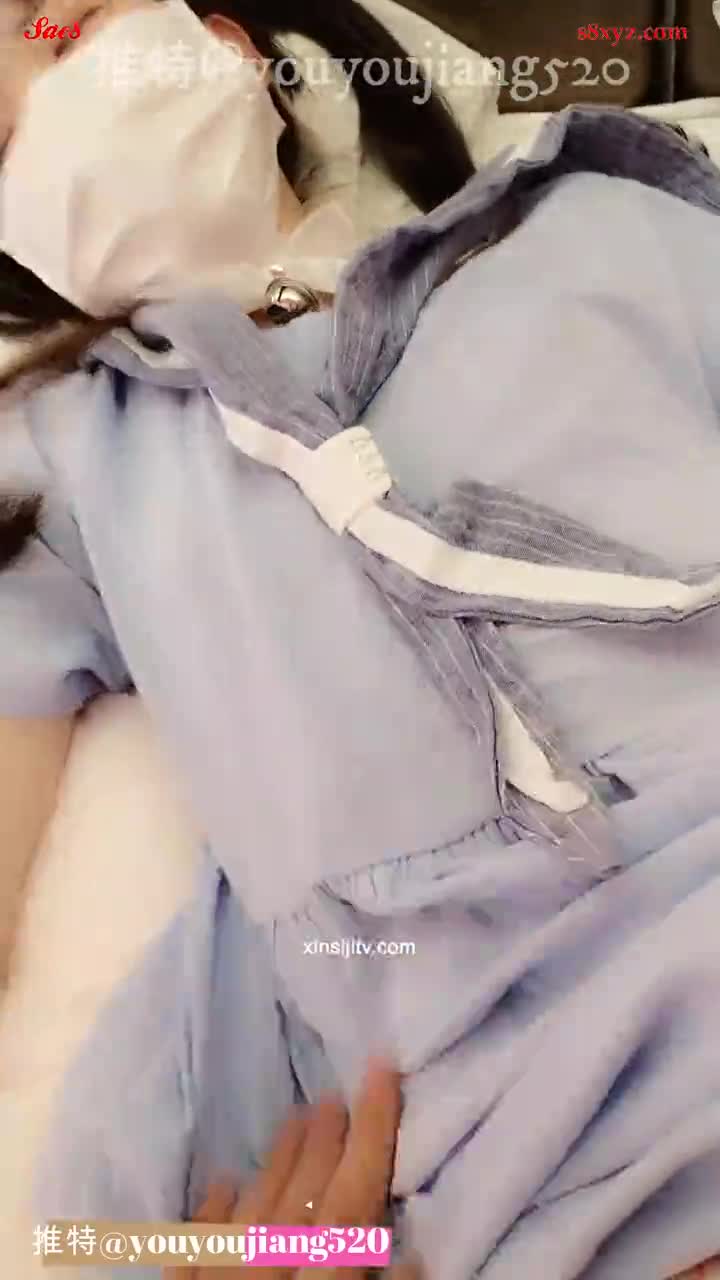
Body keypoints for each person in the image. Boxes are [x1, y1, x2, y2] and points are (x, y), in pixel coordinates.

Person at [1, 0, 720, 1277]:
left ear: (222, 42)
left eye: (63, 33)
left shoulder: (603, 220)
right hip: (527, 1184)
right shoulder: (72, 455)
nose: (39, 112)